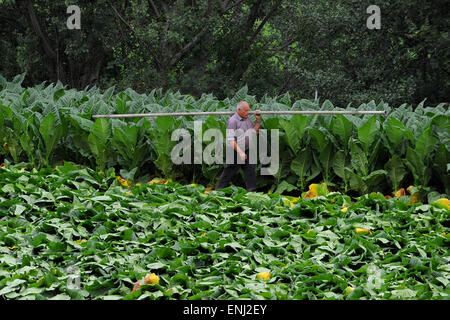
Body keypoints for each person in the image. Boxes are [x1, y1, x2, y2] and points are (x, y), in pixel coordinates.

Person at [215, 101, 261, 192]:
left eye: (249, 110)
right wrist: (240, 152)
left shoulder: (248, 119)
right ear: (239, 110)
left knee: (250, 170)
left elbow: (254, 132)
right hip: (235, 150)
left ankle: (252, 193)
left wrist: (258, 120)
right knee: (230, 170)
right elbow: (231, 140)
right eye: (246, 110)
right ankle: (219, 190)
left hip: (247, 149)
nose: (248, 112)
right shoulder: (233, 121)